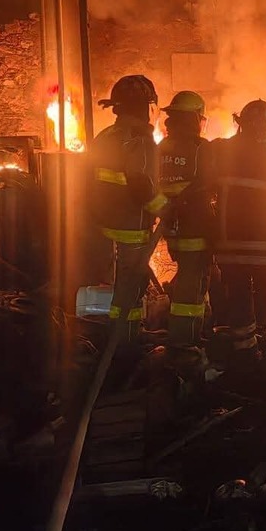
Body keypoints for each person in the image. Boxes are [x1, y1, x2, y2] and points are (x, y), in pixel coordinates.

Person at [208, 99, 266, 391]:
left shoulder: (221, 149)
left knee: (239, 301)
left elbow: (208, 174)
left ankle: (244, 360)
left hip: (232, 244)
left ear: (240, 124)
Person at [89, 75, 167, 342]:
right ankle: (127, 342)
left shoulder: (105, 136)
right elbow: (141, 184)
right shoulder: (141, 140)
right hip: (131, 227)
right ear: (146, 107)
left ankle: (109, 335)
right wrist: (165, 209)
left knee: (115, 287)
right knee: (130, 291)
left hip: (102, 225)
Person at [157, 90, 214, 376]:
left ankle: (193, 329)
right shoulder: (200, 148)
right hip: (196, 226)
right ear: (195, 118)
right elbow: (210, 184)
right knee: (192, 288)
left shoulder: (161, 148)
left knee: (189, 280)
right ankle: (185, 344)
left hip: (172, 228)